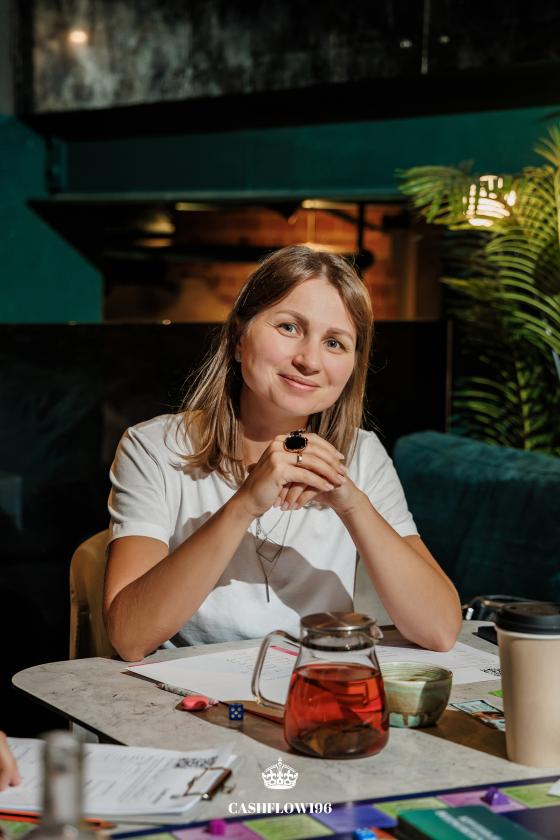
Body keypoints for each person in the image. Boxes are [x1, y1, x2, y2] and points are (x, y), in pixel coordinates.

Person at [104, 246, 461, 661]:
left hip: (317, 681)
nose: (309, 360)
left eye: (334, 342)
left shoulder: (362, 454)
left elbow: (439, 630)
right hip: (187, 689)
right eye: (289, 327)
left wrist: (351, 502)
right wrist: (244, 504)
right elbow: (129, 637)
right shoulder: (154, 448)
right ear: (238, 338)